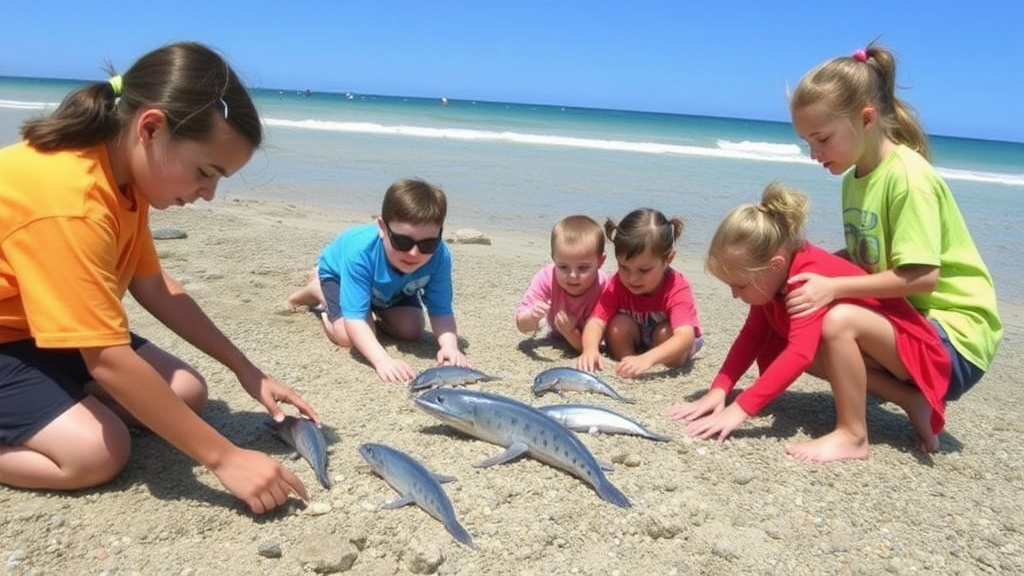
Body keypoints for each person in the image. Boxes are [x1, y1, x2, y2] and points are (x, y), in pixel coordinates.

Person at [0, 42, 319, 514]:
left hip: (38, 326)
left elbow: (154, 286)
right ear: (150, 128)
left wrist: (247, 369)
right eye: (204, 173)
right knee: (98, 453)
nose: (208, 194)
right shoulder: (72, 201)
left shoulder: (125, 176)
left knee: (187, 392)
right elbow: (107, 359)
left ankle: (59, 403)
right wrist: (224, 457)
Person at [787, 43, 1002, 447]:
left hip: (955, 340)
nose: (814, 153)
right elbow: (868, 256)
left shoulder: (908, 178)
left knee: (838, 321)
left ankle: (852, 436)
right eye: (806, 142)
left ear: (866, 118)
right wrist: (811, 268)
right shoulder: (855, 177)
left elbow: (921, 276)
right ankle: (912, 399)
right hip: (913, 326)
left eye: (821, 138)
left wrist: (833, 287)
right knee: (804, 330)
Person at [668, 182, 951, 462]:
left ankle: (854, 437)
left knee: (825, 332)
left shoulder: (803, 277)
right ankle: (912, 400)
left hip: (918, 354)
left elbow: (799, 354)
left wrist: (740, 409)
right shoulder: (773, 280)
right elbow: (752, 336)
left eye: (740, 286)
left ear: (774, 265)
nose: (734, 295)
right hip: (887, 357)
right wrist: (719, 389)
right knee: (815, 347)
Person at [286, 178, 468, 383]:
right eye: (402, 241)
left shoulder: (439, 256)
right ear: (382, 227)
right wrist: (382, 360)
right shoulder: (361, 252)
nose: (414, 253)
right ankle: (317, 288)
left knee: (411, 330)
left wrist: (449, 347)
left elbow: (441, 308)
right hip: (339, 276)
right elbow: (355, 319)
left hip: (392, 290)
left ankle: (369, 315)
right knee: (347, 337)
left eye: (428, 244)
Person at [576, 208, 702, 378]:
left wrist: (648, 359)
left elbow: (685, 336)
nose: (632, 278)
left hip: (668, 344)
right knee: (617, 325)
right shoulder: (617, 283)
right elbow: (597, 322)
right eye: (624, 267)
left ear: (668, 259)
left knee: (666, 333)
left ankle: (644, 361)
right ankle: (628, 362)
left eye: (644, 270)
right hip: (638, 338)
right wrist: (590, 349)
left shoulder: (676, 286)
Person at [516, 215, 608, 352]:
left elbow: (591, 348)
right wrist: (532, 315)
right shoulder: (547, 277)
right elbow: (521, 326)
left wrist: (570, 332)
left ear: (600, 262)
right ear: (553, 259)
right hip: (557, 336)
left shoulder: (603, 288)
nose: (572, 276)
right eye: (563, 267)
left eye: (583, 268)